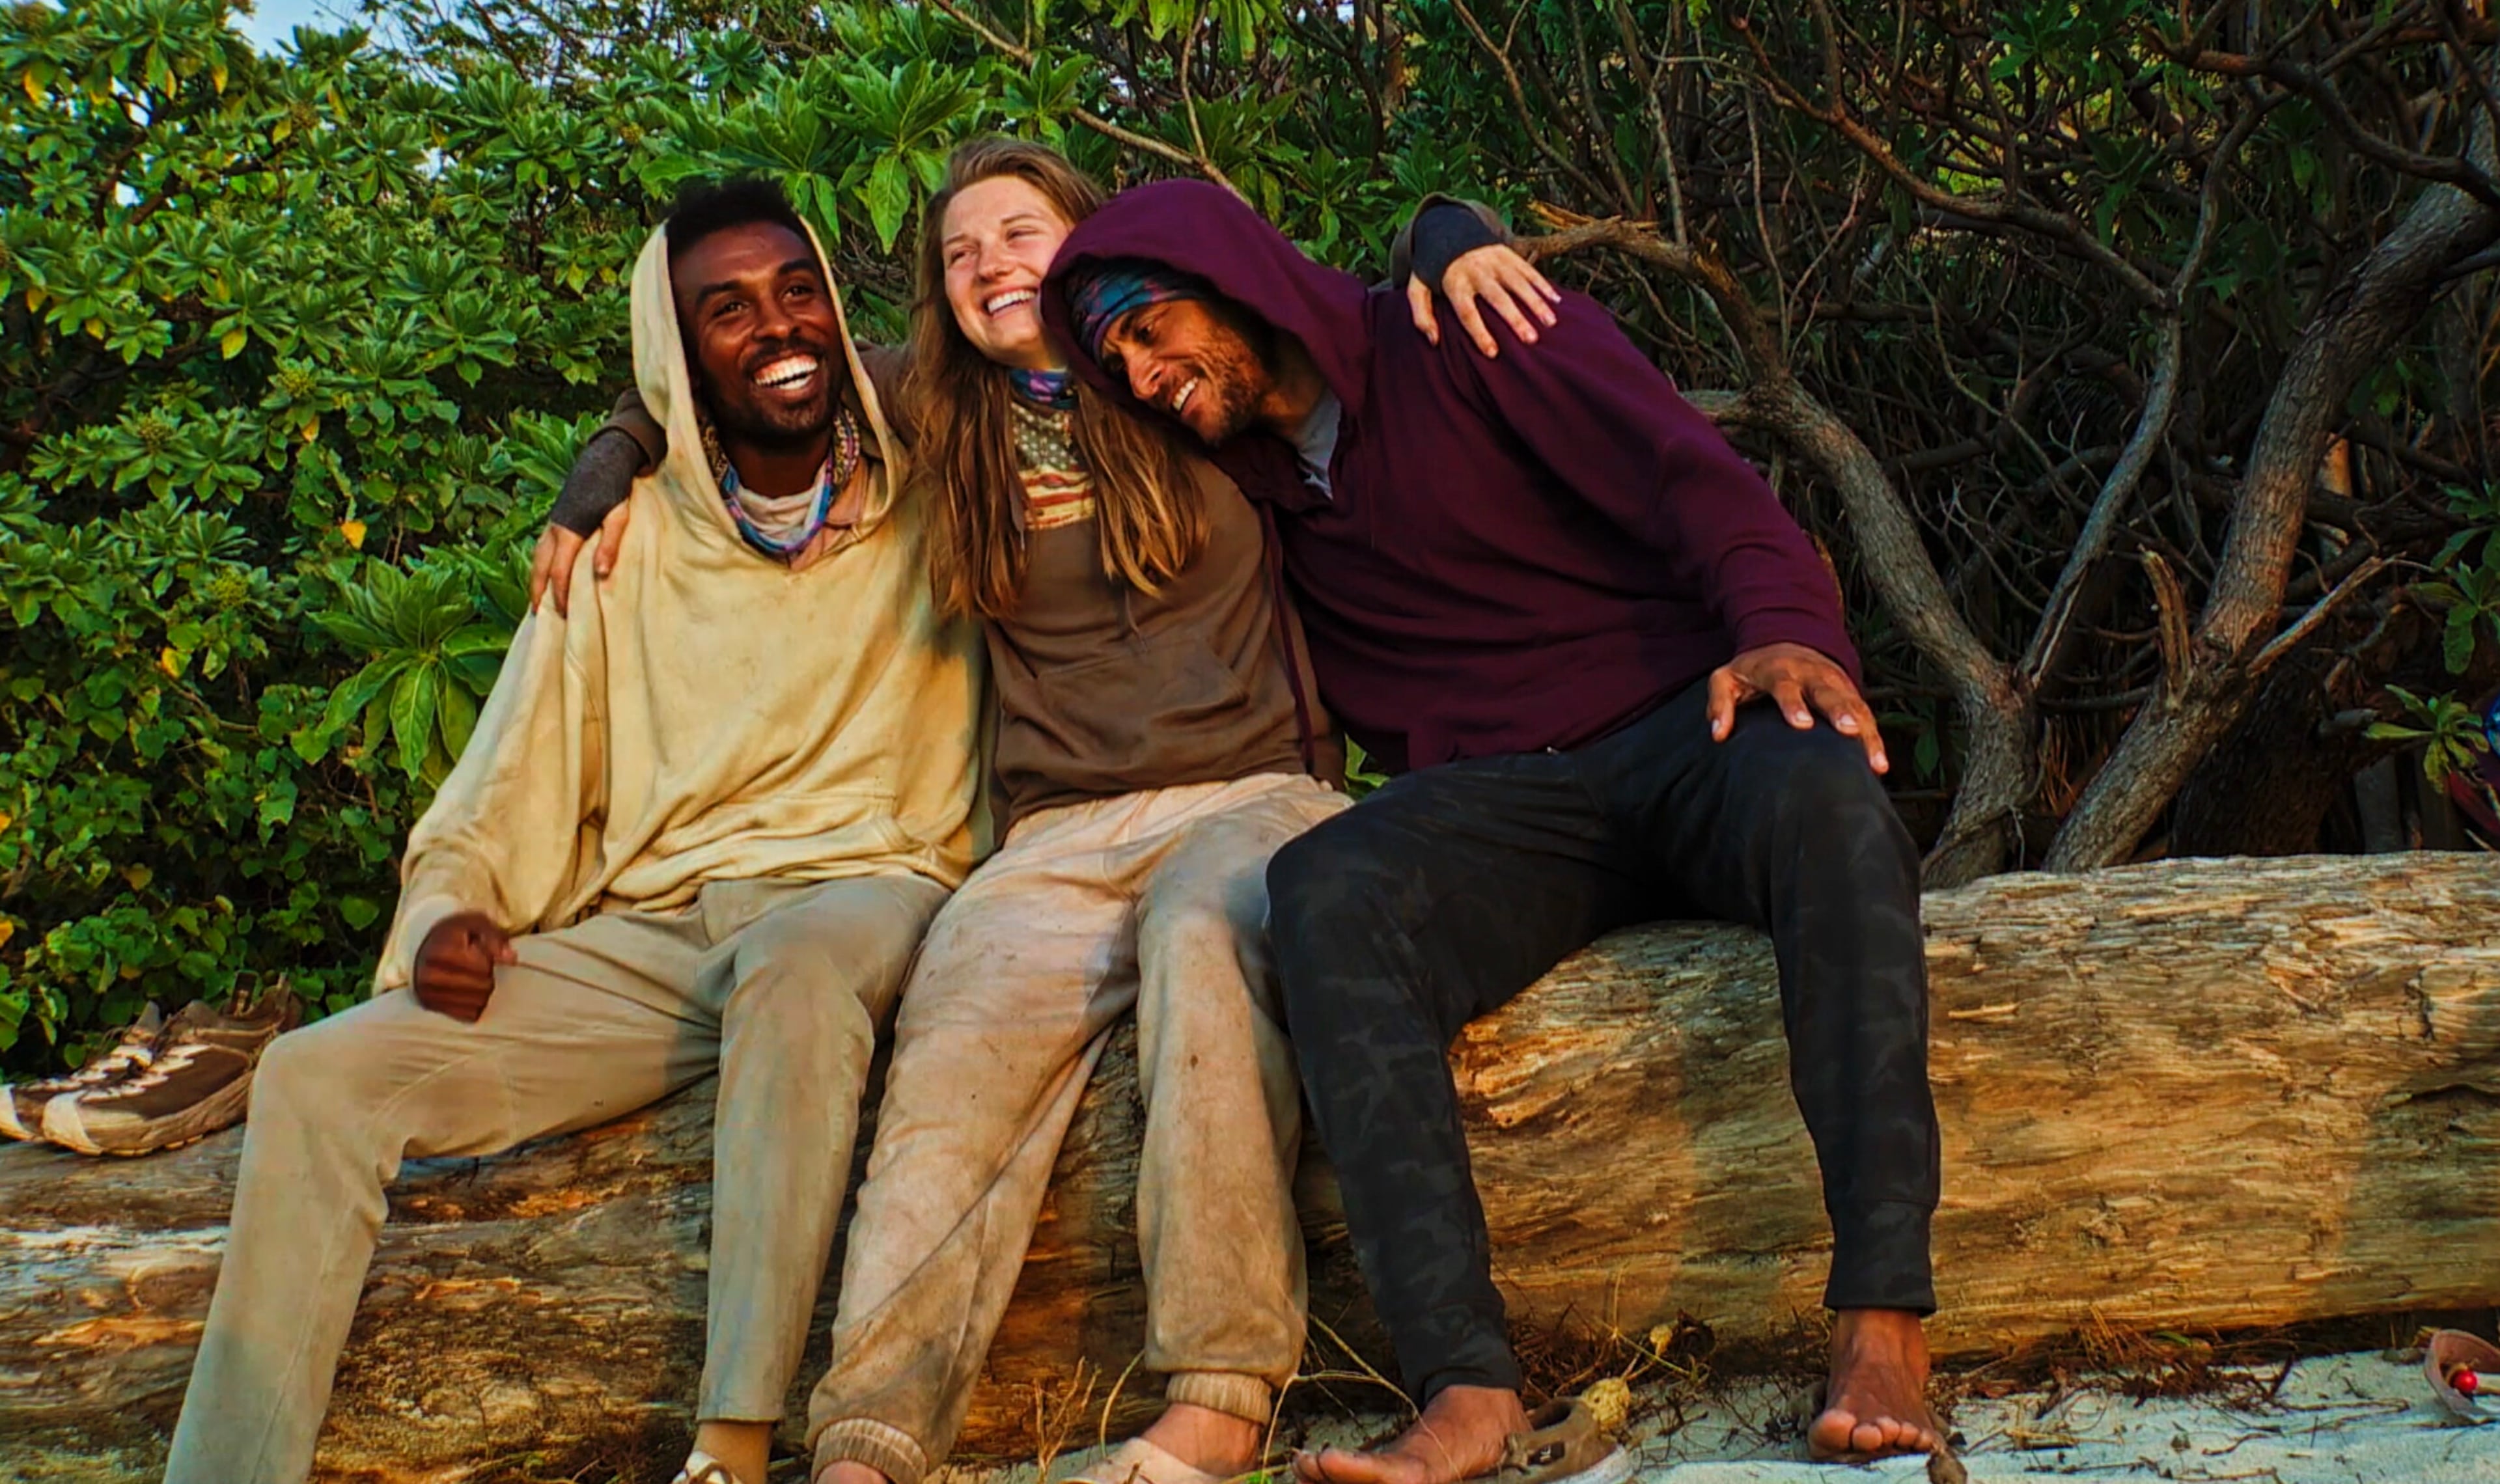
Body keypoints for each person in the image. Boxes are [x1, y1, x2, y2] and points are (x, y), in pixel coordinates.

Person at [533, 142, 1558, 1484]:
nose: (991, 267)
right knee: (953, 1036)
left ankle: (1220, 1390)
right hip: (1054, 833)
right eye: (960, 255)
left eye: (1019, 234)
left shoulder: (1180, 357)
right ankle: (869, 1436)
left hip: (1255, 795)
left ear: (1088, 240)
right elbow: (738, 371)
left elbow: (1352, 313)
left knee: (1206, 940)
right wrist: (602, 463)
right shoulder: (927, 410)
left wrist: (1450, 226)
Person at [1039, 180, 1945, 1476]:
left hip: (1686, 723)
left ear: (1228, 271)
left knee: (1829, 795)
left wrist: (1786, 634)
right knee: (1326, 884)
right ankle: (1467, 1392)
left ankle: (1882, 1320)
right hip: (1510, 806)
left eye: (1145, 321)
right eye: (1111, 357)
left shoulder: (1462, 331)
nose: (1140, 371)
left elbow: (1690, 477)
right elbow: (943, 399)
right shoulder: (1239, 497)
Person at [161, 180, 986, 1484]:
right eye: (727, 309)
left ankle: (731, 1447)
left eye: (798, 289)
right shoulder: (618, 548)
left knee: (797, 967)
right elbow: (496, 793)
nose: (779, 327)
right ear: (674, 354)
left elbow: (1048, 354)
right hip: (654, 939)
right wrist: (443, 920)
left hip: (866, 891)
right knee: (315, 1078)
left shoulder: (941, 485)